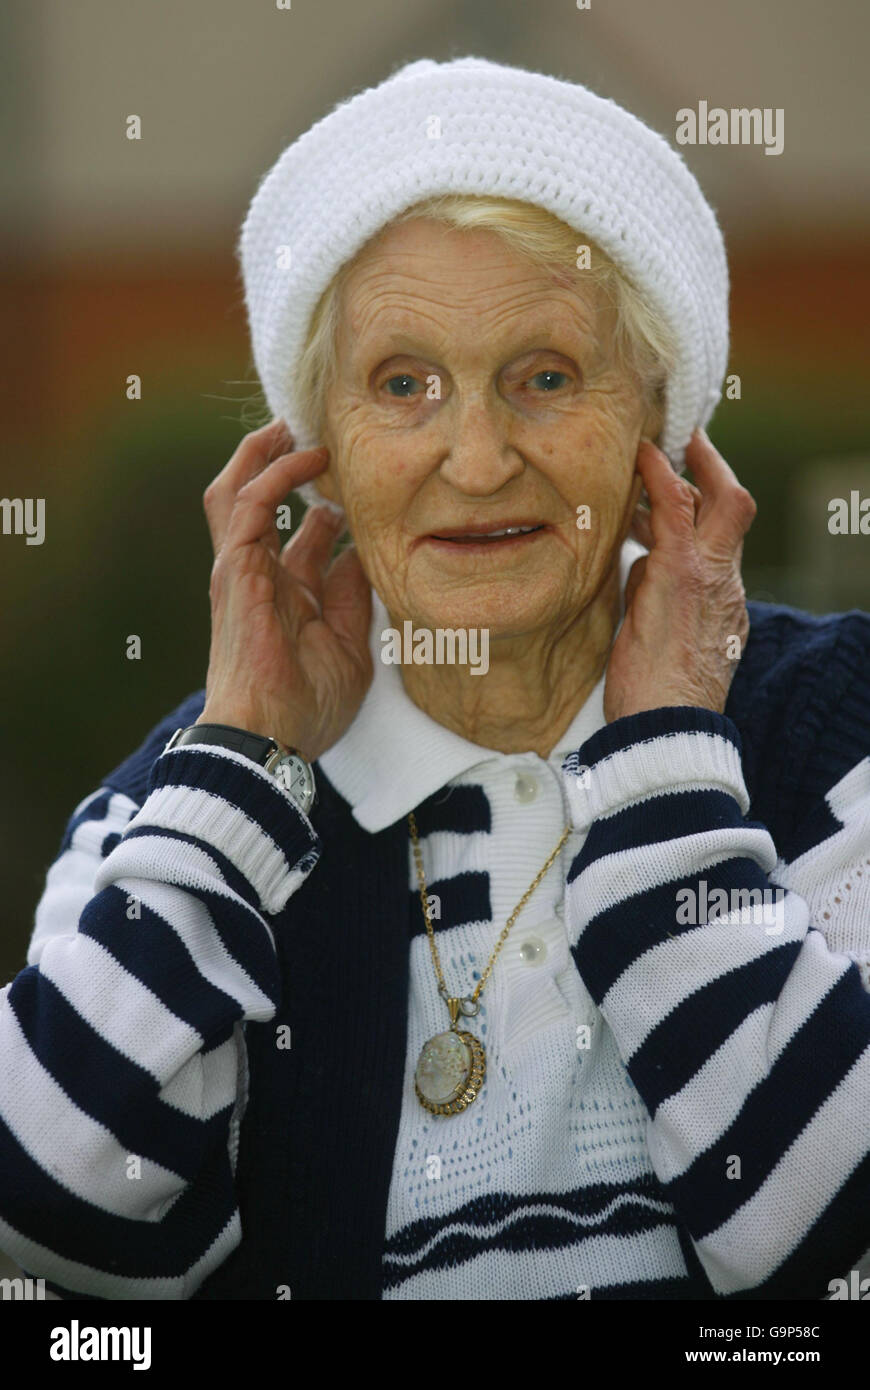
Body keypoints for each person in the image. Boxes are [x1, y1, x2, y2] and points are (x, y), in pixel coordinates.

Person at [1, 56, 868, 1301]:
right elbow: (60, 1215)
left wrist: (672, 758)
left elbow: (822, 1233)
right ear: (322, 458)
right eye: (403, 386)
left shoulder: (836, 732)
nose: (474, 460)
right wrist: (245, 752)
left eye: (547, 377)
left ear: (657, 431)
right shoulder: (194, 808)